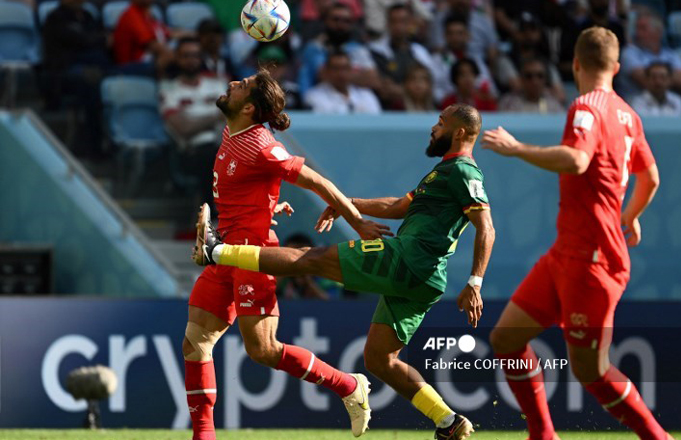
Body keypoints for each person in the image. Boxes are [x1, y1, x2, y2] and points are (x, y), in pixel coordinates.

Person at [193, 103, 495, 440]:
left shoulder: (465, 172)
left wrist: (475, 282)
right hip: (424, 279)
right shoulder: (443, 172)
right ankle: (447, 421)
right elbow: (397, 207)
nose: (433, 128)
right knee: (379, 360)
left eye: (441, 123)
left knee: (312, 259)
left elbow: (486, 227)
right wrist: (347, 205)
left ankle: (217, 251)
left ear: (460, 132)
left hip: (409, 259)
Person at [482, 26, 671, 440]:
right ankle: (543, 435)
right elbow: (651, 177)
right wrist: (630, 214)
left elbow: (576, 160)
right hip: (566, 253)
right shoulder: (629, 115)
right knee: (505, 339)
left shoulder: (586, 106)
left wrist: (517, 149)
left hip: (593, 258)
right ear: (617, 67)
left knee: (592, 370)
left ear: (575, 64)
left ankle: (659, 438)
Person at [182, 70, 389, 440]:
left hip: (254, 254)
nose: (232, 83)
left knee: (262, 350)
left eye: (241, 85)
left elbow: (319, 182)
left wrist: (358, 224)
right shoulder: (233, 131)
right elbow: (246, 185)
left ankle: (348, 386)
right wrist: (268, 205)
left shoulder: (263, 145)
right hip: (224, 249)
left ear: (248, 107)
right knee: (195, 343)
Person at [42, 0, 110, 158]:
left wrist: (93, 40)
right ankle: (92, 146)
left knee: (104, 78)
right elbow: (82, 41)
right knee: (90, 81)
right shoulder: (55, 17)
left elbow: (98, 41)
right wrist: (95, 40)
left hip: (92, 68)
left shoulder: (88, 16)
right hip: (62, 73)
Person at [159, 38, 226, 207]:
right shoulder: (169, 90)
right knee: (213, 157)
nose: (191, 60)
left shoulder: (216, 85)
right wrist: (216, 116)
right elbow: (183, 128)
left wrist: (196, 121)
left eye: (196, 56)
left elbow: (234, 116)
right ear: (177, 58)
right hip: (189, 153)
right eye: (186, 56)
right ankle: (214, 216)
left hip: (222, 145)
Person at [297, 1, 378, 97]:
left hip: (355, 105)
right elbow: (325, 76)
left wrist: (339, 75)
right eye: (336, 19)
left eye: (346, 21)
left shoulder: (358, 49)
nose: (340, 24)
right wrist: (360, 75)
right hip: (320, 103)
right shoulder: (314, 48)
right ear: (325, 21)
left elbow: (374, 80)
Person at [369, 3, 436, 108]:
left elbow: (429, 87)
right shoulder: (376, 51)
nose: (398, 26)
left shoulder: (420, 52)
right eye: (394, 21)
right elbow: (384, 90)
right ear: (387, 24)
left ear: (410, 24)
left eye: (403, 21)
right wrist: (411, 90)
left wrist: (400, 90)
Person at [618, 10, 681, 99]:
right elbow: (645, 81)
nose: (637, 33)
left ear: (658, 32)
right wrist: (669, 77)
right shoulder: (629, 53)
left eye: (643, 28)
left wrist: (652, 75)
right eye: (637, 28)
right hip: (635, 107)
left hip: (669, 108)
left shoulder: (671, 55)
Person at [430, 14, 496, 103]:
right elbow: (433, 89)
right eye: (451, 33)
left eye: (459, 33)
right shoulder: (436, 60)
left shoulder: (477, 61)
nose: (455, 38)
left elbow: (488, 86)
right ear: (445, 36)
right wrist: (451, 97)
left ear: (467, 35)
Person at [429, 0, 499, 62]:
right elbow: (437, 50)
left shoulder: (482, 20)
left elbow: (493, 47)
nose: (461, 0)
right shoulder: (439, 20)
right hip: (448, 65)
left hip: (479, 65)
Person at [113, 0, 172, 74]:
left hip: (148, 65)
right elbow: (155, 46)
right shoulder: (131, 15)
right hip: (130, 69)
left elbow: (169, 33)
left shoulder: (150, 16)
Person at [304, 51, 382, 114]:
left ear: (351, 70)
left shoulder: (367, 96)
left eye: (345, 68)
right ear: (326, 71)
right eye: (336, 69)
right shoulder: (314, 96)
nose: (341, 74)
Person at [363, 0, 431, 38]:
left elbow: (425, 15)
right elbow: (376, 26)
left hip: (412, 37)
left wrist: (412, 25)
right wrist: (404, 25)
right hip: (383, 40)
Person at [498, 58, 564, 113]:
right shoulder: (508, 104)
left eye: (540, 76)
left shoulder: (554, 105)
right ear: (521, 79)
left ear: (545, 80)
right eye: (529, 76)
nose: (535, 81)